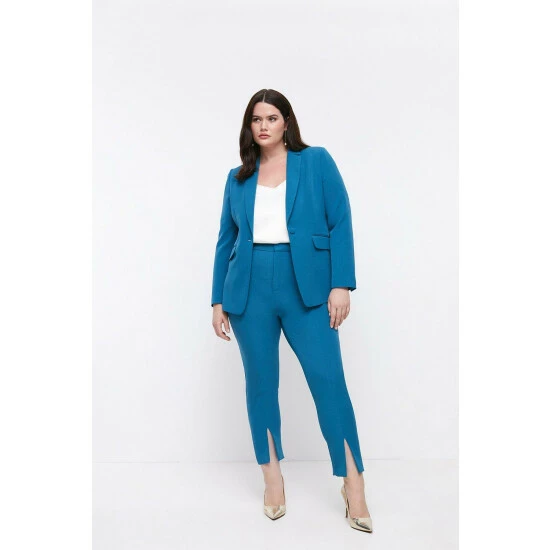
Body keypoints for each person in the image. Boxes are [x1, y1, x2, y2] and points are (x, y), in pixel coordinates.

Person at [211, 89, 373, 533]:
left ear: (286, 122)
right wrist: (217, 299)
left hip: (309, 287)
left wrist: (341, 283)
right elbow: (226, 238)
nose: (263, 125)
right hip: (248, 290)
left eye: (271, 117)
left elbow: (340, 220)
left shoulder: (315, 161)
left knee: (328, 382)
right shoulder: (237, 177)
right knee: (261, 386)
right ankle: (273, 480)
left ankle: (353, 483)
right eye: (256, 119)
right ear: (249, 127)